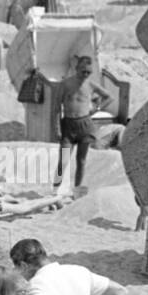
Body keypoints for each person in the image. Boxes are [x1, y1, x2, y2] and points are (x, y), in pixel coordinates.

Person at [56, 56, 112, 193]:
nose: (85, 75)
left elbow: (110, 97)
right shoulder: (65, 84)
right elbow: (56, 108)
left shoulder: (90, 85)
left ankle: (77, 190)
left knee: (81, 160)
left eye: (88, 72)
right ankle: (55, 188)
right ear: (77, 69)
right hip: (68, 126)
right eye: (83, 71)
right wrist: (56, 128)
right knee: (63, 160)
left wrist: (96, 109)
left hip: (85, 125)